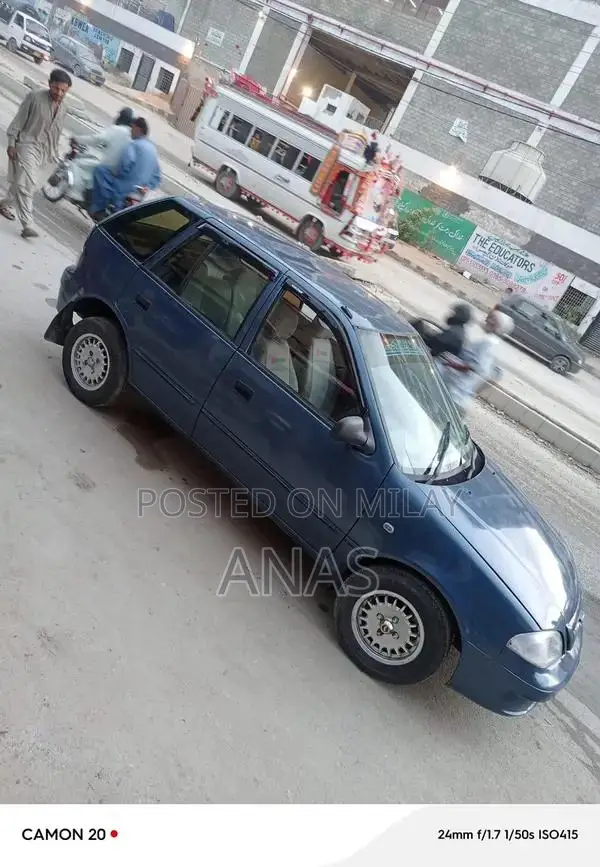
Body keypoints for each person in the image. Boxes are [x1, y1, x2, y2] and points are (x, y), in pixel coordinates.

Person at [0, 68, 72, 239]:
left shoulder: (64, 108)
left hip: (45, 151)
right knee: (27, 184)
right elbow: (18, 121)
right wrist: (11, 143)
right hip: (26, 144)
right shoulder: (34, 97)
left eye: (63, 90)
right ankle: (28, 224)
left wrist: (54, 153)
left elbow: (56, 131)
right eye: (56, 88)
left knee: (25, 182)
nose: (59, 93)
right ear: (49, 84)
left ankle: (4, 203)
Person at [440, 307, 514, 419]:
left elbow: (475, 367)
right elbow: (494, 377)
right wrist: (473, 390)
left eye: (491, 318)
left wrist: (450, 364)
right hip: (463, 396)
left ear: (497, 326)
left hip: (453, 393)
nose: (486, 319)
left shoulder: (487, 343)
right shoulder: (495, 346)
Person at [89, 117, 161, 219]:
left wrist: (117, 173)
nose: (131, 132)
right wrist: (147, 186)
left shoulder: (134, 145)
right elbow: (157, 177)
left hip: (124, 187)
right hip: (139, 192)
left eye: (132, 129)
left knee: (100, 170)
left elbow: (125, 165)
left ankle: (98, 208)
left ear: (137, 129)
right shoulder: (153, 150)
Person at [70, 107, 134, 201]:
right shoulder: (131, 136)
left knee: (76, 163)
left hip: (106, 167)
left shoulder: (117, 129)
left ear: (121, 117)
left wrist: (78, 139)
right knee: (89, 168)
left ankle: (76, 193)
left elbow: (97, 139)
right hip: (119, 170)